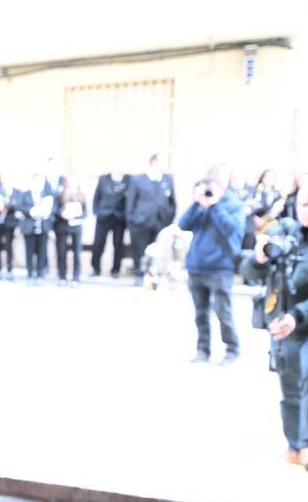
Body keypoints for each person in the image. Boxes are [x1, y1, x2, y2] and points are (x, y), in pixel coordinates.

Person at [241, 181, 308, 473]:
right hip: (283, 324)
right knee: (290, 384)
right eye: (305, 204)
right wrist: (259, 257)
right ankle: (294, 446)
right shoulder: (285, 231)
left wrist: (298, 315)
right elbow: (248, 271)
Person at [178, 177, 243, 365]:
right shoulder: (200, 206)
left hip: (220, 269)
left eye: (211, 189)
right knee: (200, 314)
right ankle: (202, 349)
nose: (208, 193)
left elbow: (231, 229)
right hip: (196, 267)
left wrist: (215, 206)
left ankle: (232, 350)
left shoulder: (233, 206)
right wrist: (196, 203)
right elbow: (183, 224)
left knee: (223, 313)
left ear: (222, 189)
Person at [126, 154, 177, 282]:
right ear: (154, 162)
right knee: (139, 249)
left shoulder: (167, 179)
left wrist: (169, 216)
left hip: (161, 220)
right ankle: (139, 273)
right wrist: (131, 219)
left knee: (156, 250)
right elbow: (131, 201)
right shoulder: (138, 179)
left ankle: (151, 274)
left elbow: (172, 201)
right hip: (141, 220)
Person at [91, 169, 128, 277]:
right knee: (98, 243)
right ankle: (95, 268)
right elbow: (97, 196)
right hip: (103, 216)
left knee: (118, 245)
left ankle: (115, 270)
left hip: (120, 217)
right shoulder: (104, 179)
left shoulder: (128, 180)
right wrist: (96, 211)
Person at [53, 176, 89, 286]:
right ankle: (62, 276)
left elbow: (85, 213)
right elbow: (55, 210)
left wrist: (76, 214)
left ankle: (76, 277)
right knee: (61, 252)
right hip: (62, 226)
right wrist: (62, 213)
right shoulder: (59, 195)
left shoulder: (81, 196)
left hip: (76, 227)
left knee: (77, 253)